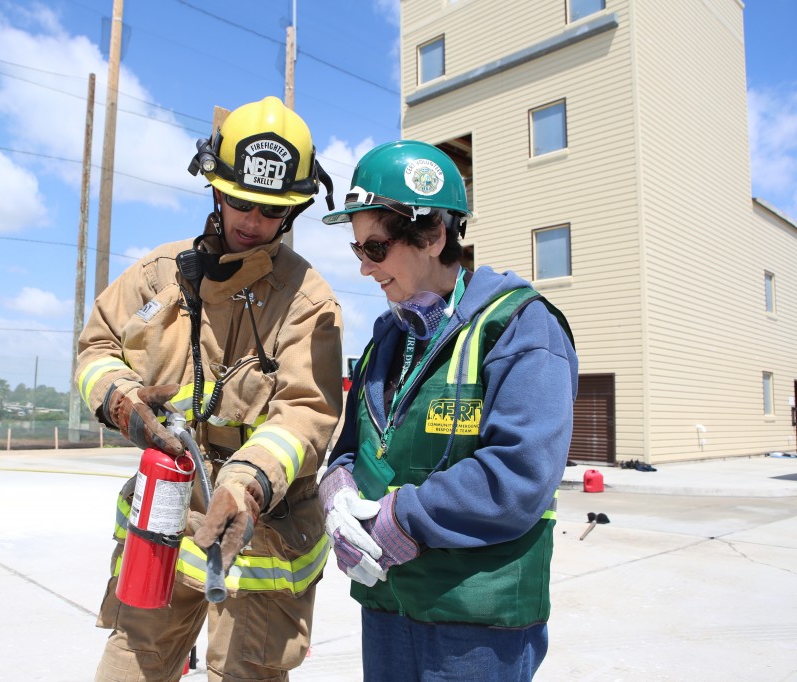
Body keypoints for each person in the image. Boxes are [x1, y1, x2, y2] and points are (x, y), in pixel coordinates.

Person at [76, 95, 343, 682]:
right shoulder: (158, 275)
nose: (251, 219)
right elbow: (96, 349)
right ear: (214, 188)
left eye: (270, 211)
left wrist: (245, 485)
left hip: (261, 532)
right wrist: (122, 401)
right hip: (164, 513)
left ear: (292, 213)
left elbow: (306, 411)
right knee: (133, 661)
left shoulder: (308, 302)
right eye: (239, 199)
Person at [318, 140, 578, 681]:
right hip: (388, 608)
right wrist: (337, 488)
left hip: (475, 624)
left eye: (376, 248)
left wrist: (403, 517)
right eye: (358, 249)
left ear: (433, 235)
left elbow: (520, 472)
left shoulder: (518, 329)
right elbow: (352, 447)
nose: (364, 267)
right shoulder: (386, 340)